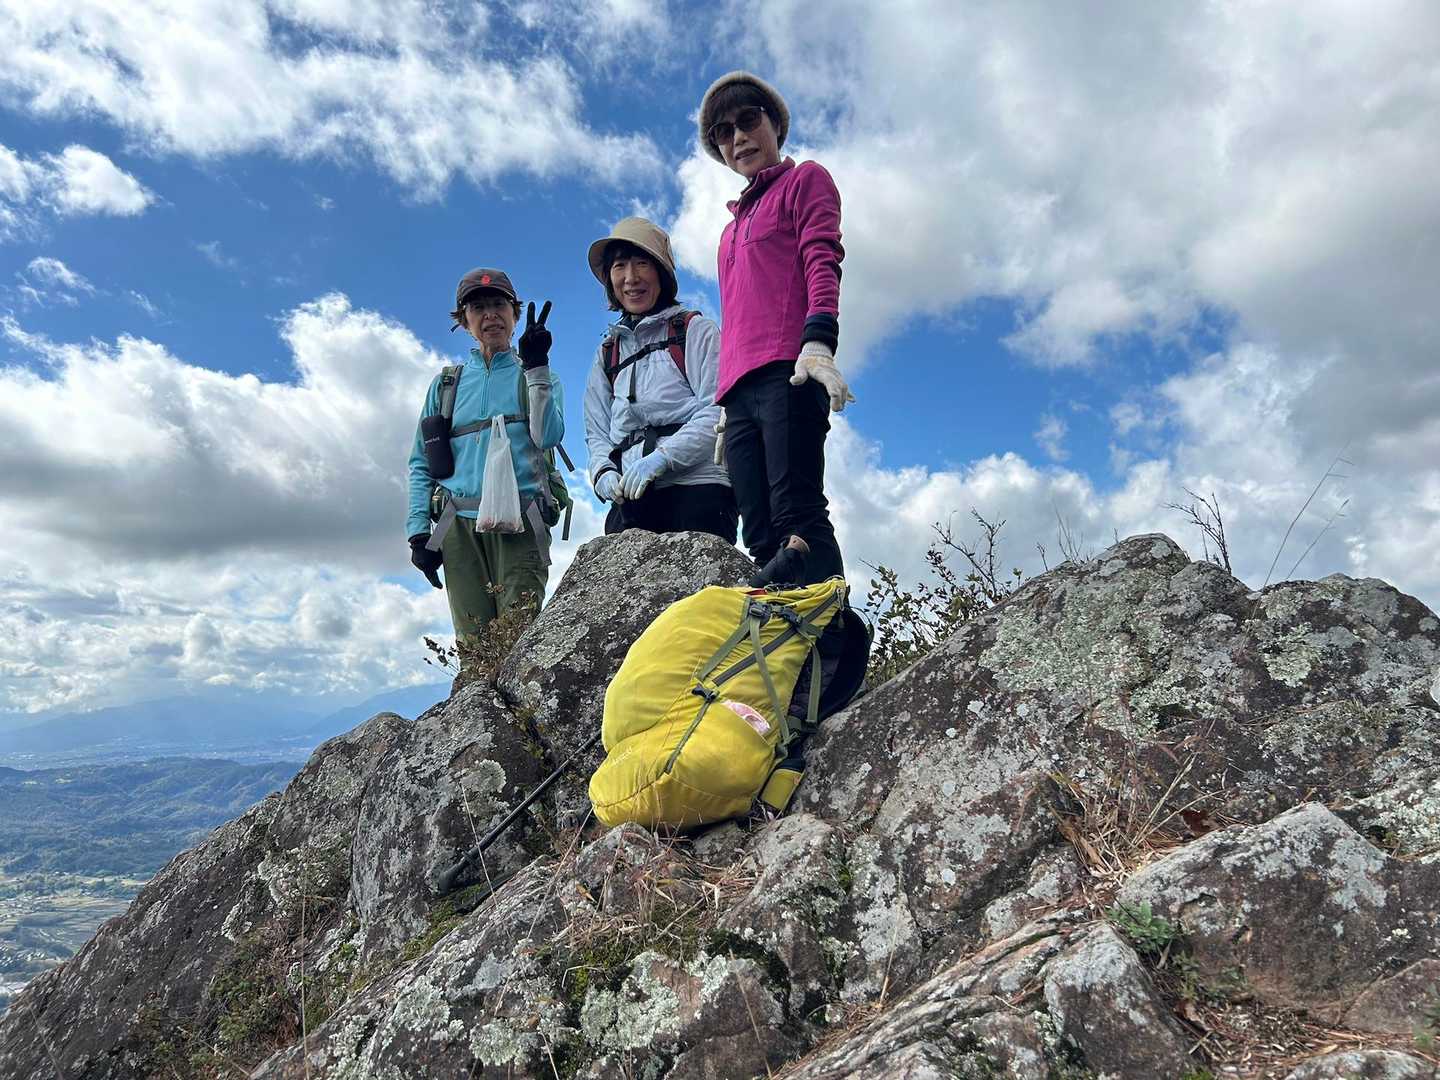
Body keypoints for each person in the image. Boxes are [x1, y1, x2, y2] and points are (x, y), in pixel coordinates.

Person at [697, 71, 855, 588]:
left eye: (748, 120)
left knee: (797, 511)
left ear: (775, 125)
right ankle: (788, 636)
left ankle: (833, 631)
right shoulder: (727, 233)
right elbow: (737, 311)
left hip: (790, 370)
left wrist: (819, 340)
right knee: (760, 531)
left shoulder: (804, 180)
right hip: (738, 392)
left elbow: (822, 256)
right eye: (723, 132)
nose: (739, 137)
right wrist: (726, 401)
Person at [406, 268, 565, 665]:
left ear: (515, 314)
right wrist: (417, 533)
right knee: (474, 651)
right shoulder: (446, 385)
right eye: (478, 308)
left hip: (522, 520)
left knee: (519, 644)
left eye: (498, 305)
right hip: (458, 526)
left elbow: (548, 437)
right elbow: (421, 461)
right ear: (464, 321)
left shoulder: (537, 375)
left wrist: (537, 370)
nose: (490, 315)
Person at [582, 217, 737, 542]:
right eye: (619, 266)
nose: (631, 278)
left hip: (699, 489)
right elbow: (596, 431)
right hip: (630, 499)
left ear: (662, 273)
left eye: (642, 263)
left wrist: (663, 458)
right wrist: (603, 471)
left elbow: (719, 411)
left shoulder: (695, 331)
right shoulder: (607, 352)